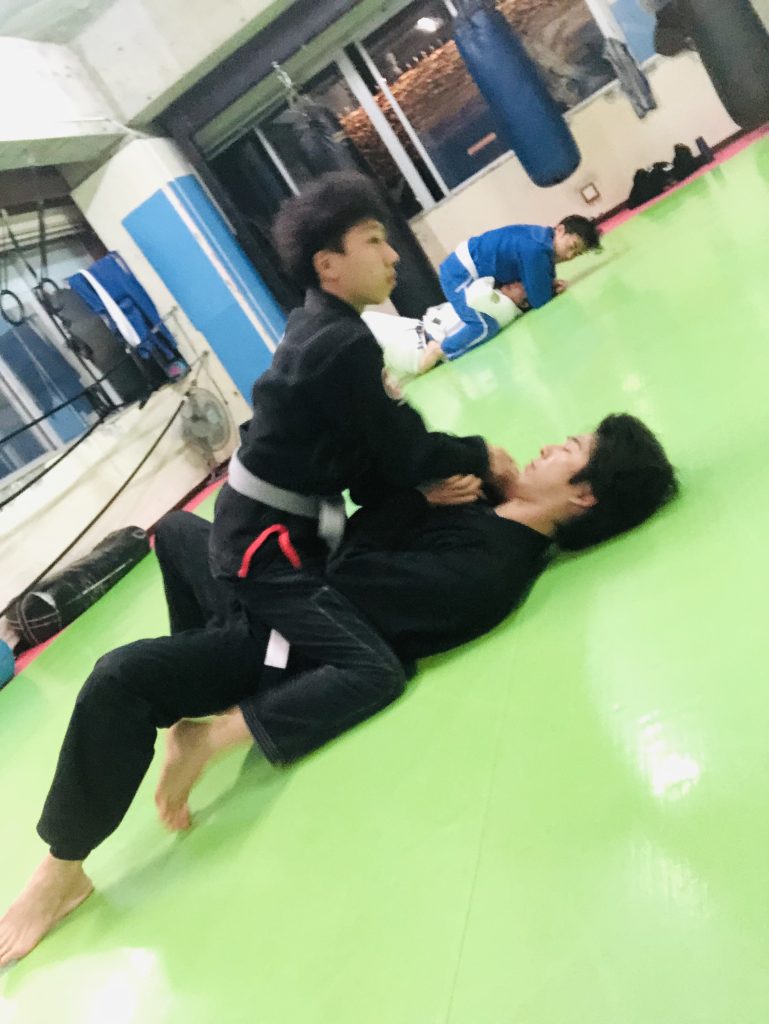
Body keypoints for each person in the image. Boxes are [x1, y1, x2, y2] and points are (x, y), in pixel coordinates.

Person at [0, 413, 678, 964]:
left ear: (584, 495)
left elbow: (347, 581)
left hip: (289, 637)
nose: (548, 446)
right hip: (282, 595)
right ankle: (200, 692)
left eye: (568, 449)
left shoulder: (487, 572)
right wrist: (424, 486)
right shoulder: (482, 506)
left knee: (119, 678)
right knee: (177, 531)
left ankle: (64, 869)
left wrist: (413, 503)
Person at [208, 170, 517, 767]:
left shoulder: (318, 324)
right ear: (328, 265)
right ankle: (215, 735)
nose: (391, 255)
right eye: (374, 241)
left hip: (263, 522)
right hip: (265, 547)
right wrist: (482, 455)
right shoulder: (342, 343)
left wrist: (422, 492)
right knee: (376, 669)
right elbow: (406, 452)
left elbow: (375, 458)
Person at [439, 215, 602, 360]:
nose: (569, 256)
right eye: (572, 247)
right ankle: (442, 350)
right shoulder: (537, 249)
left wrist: (548, 285)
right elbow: (539, 300)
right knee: (485, 327)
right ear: (560, 230)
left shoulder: (540, 239)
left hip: (465, 269)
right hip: (458, 274)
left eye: (576, 254)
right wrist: (550, 290)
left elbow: (540, 281)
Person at [363, 280, 529, 389]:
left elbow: (480, 287)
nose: (516, 283)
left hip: (421, 344)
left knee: (364, 321)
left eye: (523, 286)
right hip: (418, 333)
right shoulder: (497, 301)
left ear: (524, 302)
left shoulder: (503, 307)